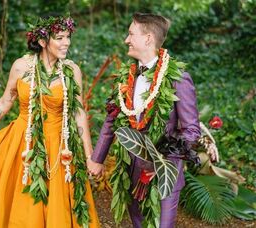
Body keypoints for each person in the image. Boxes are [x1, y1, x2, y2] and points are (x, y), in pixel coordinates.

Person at [0, 15, 100, 228]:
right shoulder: (21, 66)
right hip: (22, 142)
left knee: (57, 201)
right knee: (18, 196)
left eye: (68, 37)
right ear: (43, 42)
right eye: (60, 38)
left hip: (58, 145)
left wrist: (90, 155)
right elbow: (6, 100)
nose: (67, 43)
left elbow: (78, 113)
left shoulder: (71, 70)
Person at [87, 13, 217, 228]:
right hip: (131, 171)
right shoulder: (125, 77)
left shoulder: (177, 78)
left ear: (147, 38)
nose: (126, 40)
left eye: (131, 34)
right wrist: (97, 158)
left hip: (165, 173)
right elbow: (112, 121)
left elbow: (191, 130)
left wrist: (162, 161)